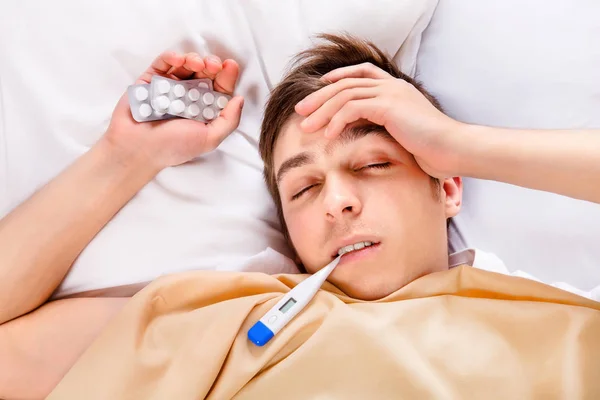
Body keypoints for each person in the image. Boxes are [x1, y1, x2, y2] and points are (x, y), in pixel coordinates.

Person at [1, 34, 599, 398]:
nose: (337, 201)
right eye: (304, 188)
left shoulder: (561, 322)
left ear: (447, 187)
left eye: (372, 165)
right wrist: (125, 157)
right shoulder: (222, 326)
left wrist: (462, 142)